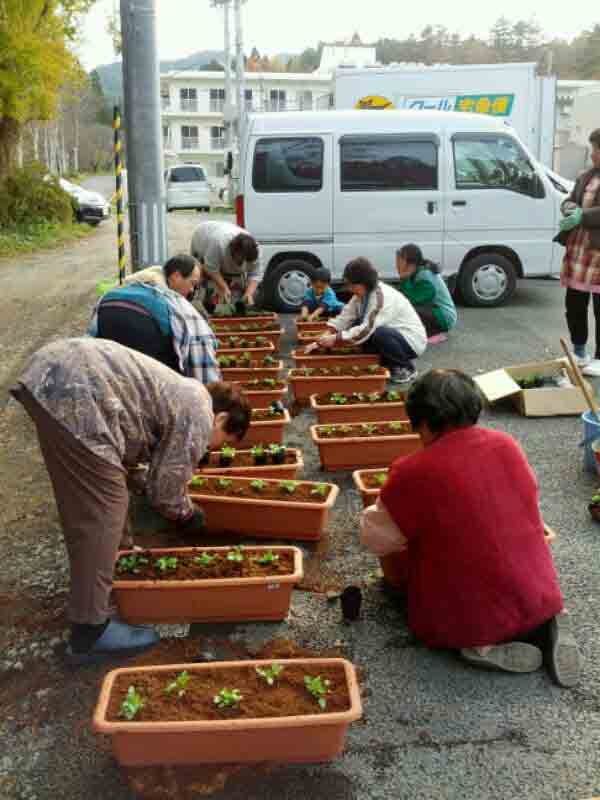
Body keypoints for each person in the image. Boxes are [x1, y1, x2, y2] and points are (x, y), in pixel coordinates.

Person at [10, 338, 251, 665]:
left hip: (56, 375)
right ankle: (90, 632)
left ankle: (115, 563)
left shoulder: (184, 392)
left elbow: (139, 472)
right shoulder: (200, 412)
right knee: (104, 509)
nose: (214, 449)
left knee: (95, 498)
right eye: (224, 442)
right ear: (222, 421)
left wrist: (150, 491)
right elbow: (165, 489)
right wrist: (187, 515)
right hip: (78, 392)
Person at [360, 369, 580, 687]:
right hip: (539, 593)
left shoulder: (412, 471)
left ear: (421, 420)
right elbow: (526, 503)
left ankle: (481, 647)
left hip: (474, 613)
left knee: (421, 594)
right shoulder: (507, 444)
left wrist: (375, 507)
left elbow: (377, 540)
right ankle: (550, 618)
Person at [90, 255, 221, 384]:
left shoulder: (126, 287)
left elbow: (92, 341)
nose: (192, 290)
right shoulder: (179, 307)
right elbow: (203, 364)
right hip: (146, 363)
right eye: (192, 284)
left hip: (106, 318)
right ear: (176, 276)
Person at [314, 257, 427, 385]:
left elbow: (367, 329)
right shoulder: (361, 294)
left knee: (379, 334)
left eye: (352, 284)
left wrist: (336, 339)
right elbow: (346, 316)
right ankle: (388, 361)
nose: (349, 288)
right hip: (393, 335)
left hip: (411, 340)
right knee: (358, 328)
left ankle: (406, 367)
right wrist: (329, 331)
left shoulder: (381, 297)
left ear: (364, 282)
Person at [557, 128, 600, 377]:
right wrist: (571, 208)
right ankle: (579, 351)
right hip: (578, 250)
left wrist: (582, 215)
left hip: (597, 253)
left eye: (596, 149)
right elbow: (568, 200)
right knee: (574, 303)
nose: (592, 153)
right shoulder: (585, 176)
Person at [190, 220, 262, 309]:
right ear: (233, 250)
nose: (242, 263)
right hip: (202, 238)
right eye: (240, 259)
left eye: (246, 260)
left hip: (221, 233)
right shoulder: (218, 243)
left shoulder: (255, 250)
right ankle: (201, 306)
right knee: (204, 282)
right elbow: (210, 268)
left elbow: (255, 274)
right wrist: (224, 287)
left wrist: (248, 294)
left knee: (235, 293)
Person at [395, 244, 457, 338]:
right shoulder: (416, 271)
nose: (397, 264)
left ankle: (434, 333)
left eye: (400, 261)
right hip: (433, 310)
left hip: (444, 317)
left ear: (411, 264)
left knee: (408, 309)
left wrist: (404, 278)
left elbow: (410, 299)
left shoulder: (425, 277)